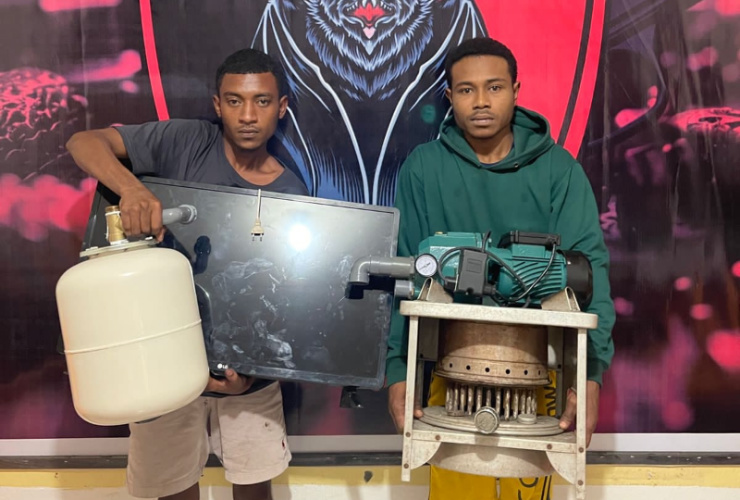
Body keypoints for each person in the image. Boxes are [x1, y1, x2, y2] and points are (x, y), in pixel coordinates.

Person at [66, 48, 307, 500]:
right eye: (234, 101)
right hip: (161, 361)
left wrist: (251, 377)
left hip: (245, 376)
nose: (248, 115)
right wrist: (133, 190)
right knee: (173, 490)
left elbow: (283, 300)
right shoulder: (186, 140)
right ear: (217, 105)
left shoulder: (292, 190)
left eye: (261, 101)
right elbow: (84, 142)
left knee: (255, 489)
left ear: (281, 107)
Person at [384, 37, 616, 499]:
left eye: (494, 87)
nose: (481, 101)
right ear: (450, 97)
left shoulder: (558, 171)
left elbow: (591, 279)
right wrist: (398, 370)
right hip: (448, 374)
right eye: (466, 90)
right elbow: (406, 277)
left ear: (515, 90)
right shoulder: (424, 169)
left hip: (539, 376)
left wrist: (589, 376)